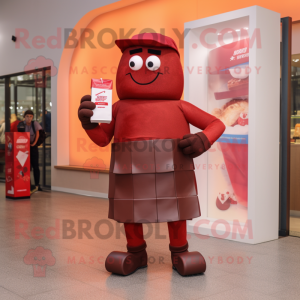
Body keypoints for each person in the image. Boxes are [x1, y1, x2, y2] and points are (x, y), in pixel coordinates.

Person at [78, 33, 226, 276]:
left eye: (152, 63)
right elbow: (103, 139)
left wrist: (203, 139)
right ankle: (136, 252)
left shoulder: (178, 105)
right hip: (128, 167)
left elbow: (216, 123)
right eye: (133, 62)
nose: (142, 69)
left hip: (173, 164)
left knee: (176, 209)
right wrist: (89, 124)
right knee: (130, 211)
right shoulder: (118, 107)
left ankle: (179, 251)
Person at [23, 110, 42, 193]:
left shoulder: (35, 124)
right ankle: (26, 183)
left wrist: (34, 143)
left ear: (32, 117)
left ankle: (37, 184)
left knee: (35, 166)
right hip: (23, 147)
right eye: (27, 116)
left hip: (32, 146)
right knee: (25, 167)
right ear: (24, 117)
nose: (29, 118)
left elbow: (37, 134)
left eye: (30, 116)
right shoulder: (21, 124)